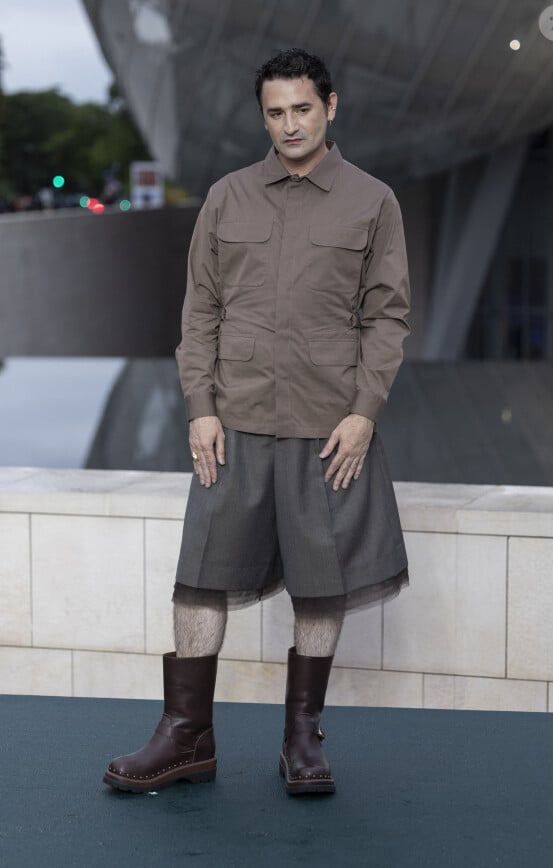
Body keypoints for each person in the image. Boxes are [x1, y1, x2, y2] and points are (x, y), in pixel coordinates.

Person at [104, 47, 410, 796]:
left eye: (302, 109)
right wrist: (200, 408)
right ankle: (185, 736)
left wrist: (365, 414)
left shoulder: (373, 201)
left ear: (330, 107)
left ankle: (302, 740)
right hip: (233, 422)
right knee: (199, 580)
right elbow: (199, 310)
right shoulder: (227, 197)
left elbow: (389, 316)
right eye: (275, 112)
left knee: (322, 584)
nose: (289, 124)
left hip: (328, 425)